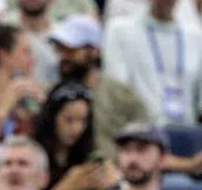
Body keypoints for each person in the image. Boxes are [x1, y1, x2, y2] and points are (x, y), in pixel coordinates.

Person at [102, 0, 202, 126]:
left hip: (186, 130)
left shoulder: (200, 37)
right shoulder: (120, 30)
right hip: (138, 131)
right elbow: (118, 86)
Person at [49, 14, 148, 158]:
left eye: (71, 50)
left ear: (94, 51)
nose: (63, 57)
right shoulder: (52, 94)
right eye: (60, 49)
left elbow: (145, 138)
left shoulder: (120, 94)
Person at [34, 82, 110, 190]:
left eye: (83, 120)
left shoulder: (89, 157)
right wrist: (68, 185)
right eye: (69, 120)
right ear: (52, 118)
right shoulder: (32, 155)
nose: (77, 129)